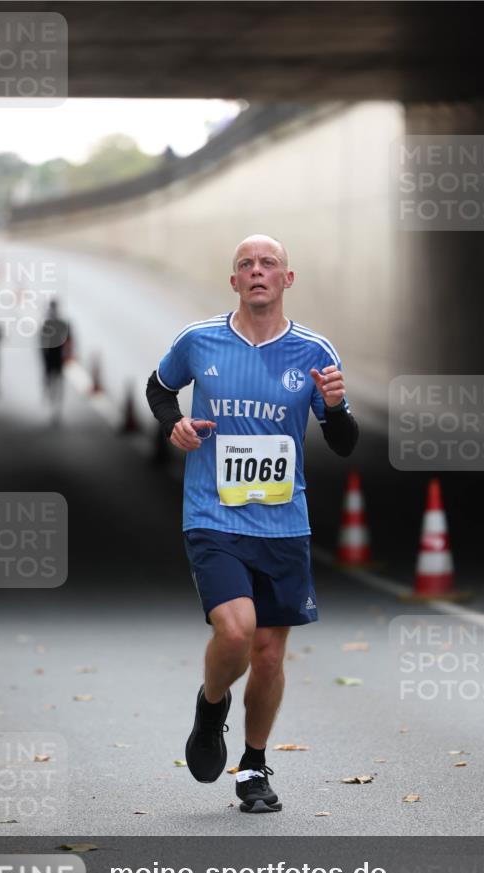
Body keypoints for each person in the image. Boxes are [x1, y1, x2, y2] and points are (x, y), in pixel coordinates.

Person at [146, 234, 358, 813]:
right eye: (246, 265)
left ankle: (254, 767)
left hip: (284, 522)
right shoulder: (199, 340)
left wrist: (336, 407)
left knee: (268, 653)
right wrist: (177, 424)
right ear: (234, 281)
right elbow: (159, 389)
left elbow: (342, 444)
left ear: (287, 279)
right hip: (213, 514)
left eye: (268, 264)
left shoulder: (314, 351)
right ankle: (211, 704)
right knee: (236, 631)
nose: (257, 271)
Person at [39, 299, 73, 423]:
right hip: (51, 357)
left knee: (57, 383)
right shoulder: (50, 323)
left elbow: (69, 341)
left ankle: (56, 409)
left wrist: (68, 355)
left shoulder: (58, 323)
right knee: (52, 382)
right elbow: (42, 342)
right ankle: (53, 404)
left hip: (56, 357)